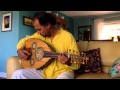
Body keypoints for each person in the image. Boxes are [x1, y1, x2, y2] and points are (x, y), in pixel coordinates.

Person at [11, 12, 81, 79]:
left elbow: (77, 65)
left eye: (39, 29)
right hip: (45, 72)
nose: (38, 32)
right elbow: (24, 40)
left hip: (63, 72)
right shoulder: (39, 35)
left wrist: (69, 62)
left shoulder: (67, 36)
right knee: (18, 74)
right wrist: (19, 50)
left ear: (48, 25)